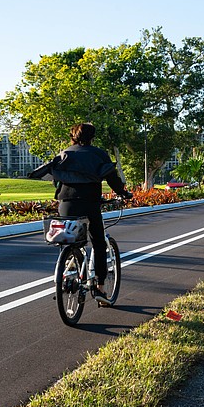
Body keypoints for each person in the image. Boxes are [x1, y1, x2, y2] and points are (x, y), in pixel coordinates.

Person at [29, 122, 132, 304]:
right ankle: (100, 288)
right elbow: (113, 179)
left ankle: (69, 271)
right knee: (98, 242)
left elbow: (57, 180)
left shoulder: (64, 154)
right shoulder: (99, 154)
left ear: (73, 136)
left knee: (68, 237)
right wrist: (124, 193)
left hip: (66, 203)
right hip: (89, 203)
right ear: (92, 137)